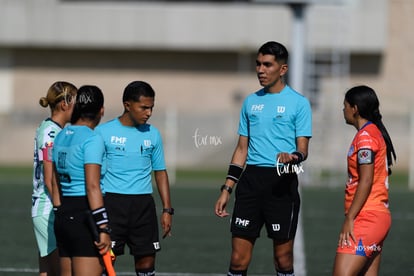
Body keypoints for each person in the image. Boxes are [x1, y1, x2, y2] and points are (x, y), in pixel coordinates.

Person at [215, 41, 312, 276]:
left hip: (282, 182)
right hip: (250, 183)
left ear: (283, 69)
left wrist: (293, 157)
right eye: (258, 64)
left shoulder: (299, 103)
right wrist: (227, 188)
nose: (260, 69)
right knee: (238, 259)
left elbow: (303, 150)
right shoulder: (250, 102)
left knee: (283, 259)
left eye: (267, 64)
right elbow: (241, 150)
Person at [95, 80, 173, 276]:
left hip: (143, 206)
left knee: (146, 262)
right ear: (127, 105)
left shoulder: (153, 134)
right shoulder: (103, 132)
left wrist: (166, 209)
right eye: (144, 107)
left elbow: (160, 172)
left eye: (151, 108)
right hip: (112, 204)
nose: (149, 113)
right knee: (105, 262)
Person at [333, 85, 396, 276]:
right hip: (376, 217)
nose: (343, 110)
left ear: (355, 109)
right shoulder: (371, 133)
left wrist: (350, 218)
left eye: (345, 105)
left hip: (367, 218)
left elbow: (366, 180)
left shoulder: (366, 137)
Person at [51, 85, 111, 276]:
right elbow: (92, 186)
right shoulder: (93, 139)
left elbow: (54, 183)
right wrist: (103, 227)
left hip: (62, 216)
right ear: (101, 110)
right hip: (85, 216)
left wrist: (62, 213)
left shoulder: (60, 135)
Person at [32, 81, 77, 276]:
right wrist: (62, 208)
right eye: (76, 102)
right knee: (60, 271)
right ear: (65, 104)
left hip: (46, 208)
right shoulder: (51, 133)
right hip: (47, 209)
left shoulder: (51, 128)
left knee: (47, 271)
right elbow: (50, 178)